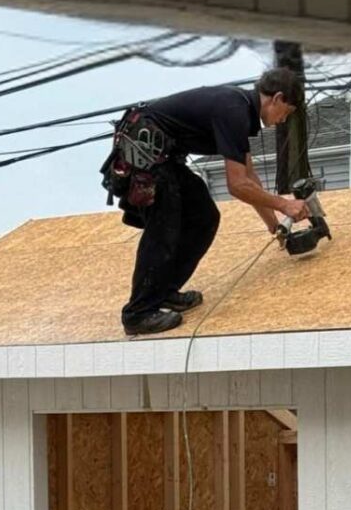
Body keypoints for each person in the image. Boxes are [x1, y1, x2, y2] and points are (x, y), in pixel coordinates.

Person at [107, 67, 312, 336]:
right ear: (277, 98)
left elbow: (248, 177)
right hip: (146, 153)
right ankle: (138, 313)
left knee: (204, 217)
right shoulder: (234, 109)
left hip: (163, 157)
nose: (284, 120)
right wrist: (285, 205)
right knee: (165, 224)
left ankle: (165, 292)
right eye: (287, 111)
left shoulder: (241, 111)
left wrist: (275, 227)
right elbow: (236, 185)